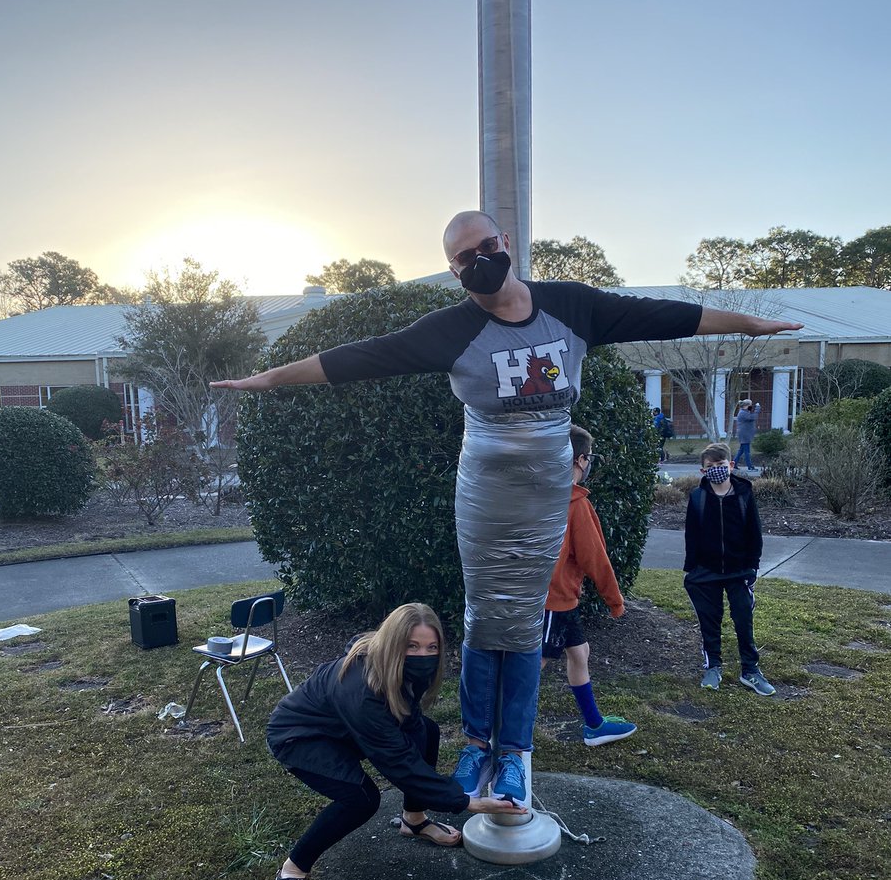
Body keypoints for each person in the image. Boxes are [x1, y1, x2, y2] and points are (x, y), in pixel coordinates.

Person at [213, 211, 801, 805]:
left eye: (486, 246)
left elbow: (669, 315)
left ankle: (514, 754)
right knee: (481, 617)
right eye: (464, 258)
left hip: (546, 489)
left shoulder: (571, 306)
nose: (479, 261)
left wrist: (751, 324)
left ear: (507, 243)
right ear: (454, 270)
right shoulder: (452, 328)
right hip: (485, 492)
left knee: (524, 620)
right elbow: (362, 357)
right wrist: (270, 379)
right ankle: (476, 745)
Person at [264, 603, 524, 880]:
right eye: (412, 646)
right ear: (393, 643)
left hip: (344, 728)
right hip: (300, 736)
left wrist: (441, 793)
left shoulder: (399, 666)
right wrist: (466, 802)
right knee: (361, 799)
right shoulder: (361, 689)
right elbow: (398, 761)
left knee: (426, 731)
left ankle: (413, 820)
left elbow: (409, 726)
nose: (423, 655)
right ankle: (291, 872)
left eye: (431, 647)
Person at [541, 424, 637, 746]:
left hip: (558, 598)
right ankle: (500, 732)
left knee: (579, 653)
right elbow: (595, 558)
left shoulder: (539, 495)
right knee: (531, 667)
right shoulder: (575, 504)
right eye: (589, 457)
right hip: (553, 601)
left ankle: (594, 725)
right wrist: (615, 601)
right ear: (581, 460)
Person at [683, 442, 775, 696]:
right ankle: (713, 666)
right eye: (710, 466)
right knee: (709, 620)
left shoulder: (744, 494)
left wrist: (753, 566)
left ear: (731, 465)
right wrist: (691, 568)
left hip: (739, 570)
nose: (716, 469)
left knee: (743, 619)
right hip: (706, 571)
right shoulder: (698, 497)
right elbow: (692, 535)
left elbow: (754, 532)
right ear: (703, 470)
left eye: (721, 464)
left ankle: (750, 670)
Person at [733, 399, 761, 470]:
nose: (751, 407)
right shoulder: (743, 413)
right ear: (746, 406)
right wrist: (757, 408)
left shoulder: (744, 412)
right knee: (747, 452)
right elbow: (753, 417)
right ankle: (750, 466)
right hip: (744, 435)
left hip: (744, 434)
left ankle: (734, 464)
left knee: (741, 451)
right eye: (750, 405)